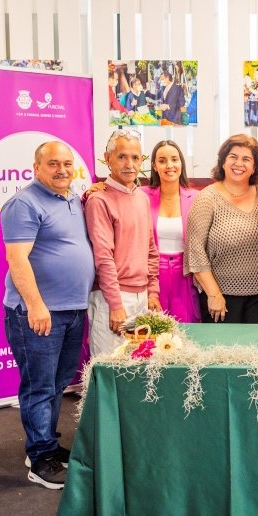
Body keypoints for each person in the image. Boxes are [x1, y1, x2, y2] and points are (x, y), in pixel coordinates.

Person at [1, 142, 95, 489]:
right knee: (39, 386)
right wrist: (36, 305)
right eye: (53, 163)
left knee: (57, 383)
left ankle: (47, 446)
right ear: (36, 167)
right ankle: (40, 459)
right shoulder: (23, 203)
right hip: (39, 313)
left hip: (72, 310)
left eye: (68, 164)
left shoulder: (73, 198)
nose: (62, 170)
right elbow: (17, 259)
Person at [85, 129, 160, 357]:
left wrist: (153, 292)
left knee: (138, 370)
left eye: (135, 157)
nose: (129, 164)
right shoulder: (98, 200)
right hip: (113, 299)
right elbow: (103, 257)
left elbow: (150, 250)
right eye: (122, 157)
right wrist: (116, 305)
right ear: (108, 159)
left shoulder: (142, 198)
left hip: (142, 297)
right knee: (110, 370)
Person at [186, 135, 258, 323]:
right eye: (233, 157)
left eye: (246, 159)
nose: (238, 163)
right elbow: (195, 251)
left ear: (255, 167)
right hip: (220, 299)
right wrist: (214, 294)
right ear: (223, 162)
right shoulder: (207, 198)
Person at [141, 140, 200, 322]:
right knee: (153, 333)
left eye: (174, 159)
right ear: (154, 166)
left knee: (188, 331)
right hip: (152, 276)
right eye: (162, 160)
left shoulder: (197, 198)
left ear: (181, 163)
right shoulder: (140, 195)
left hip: (185, 276)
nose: (169, 165)